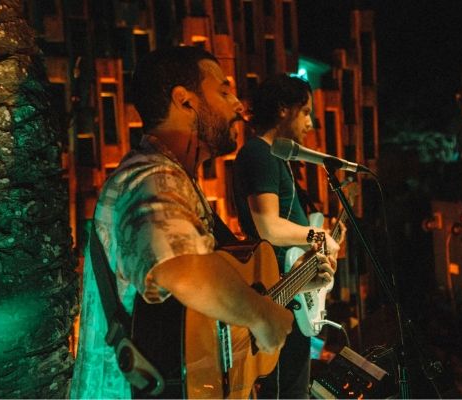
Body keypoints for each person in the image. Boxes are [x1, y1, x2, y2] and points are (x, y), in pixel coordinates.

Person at [70, 47, 332, 399]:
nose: (238, 105)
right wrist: (260, 314)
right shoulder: (151, 176)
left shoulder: (177, 181)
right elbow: (180, 268)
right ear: (185, 101)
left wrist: (293, 284)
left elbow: (202, 310)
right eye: (223, 91)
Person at [233, 74, 342, 398]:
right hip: (279, 291)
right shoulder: (260, 153)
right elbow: (267, 226)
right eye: (305, 112)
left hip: (292, 291)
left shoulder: (275, 158)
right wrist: (319, 235)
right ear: (283, 109)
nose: (310, 123)